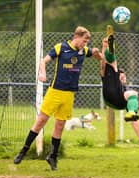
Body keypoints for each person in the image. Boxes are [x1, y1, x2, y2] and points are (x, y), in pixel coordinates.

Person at [14, 26, 102, 170]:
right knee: (41, 121)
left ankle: (52, 157)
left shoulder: (83, 50)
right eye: (84, 40)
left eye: (87, 42)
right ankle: (23, 151)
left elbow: (98, 57)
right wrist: (42, 74)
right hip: (54, 92)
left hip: (69, 94)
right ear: (77, 37)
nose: (85, 44)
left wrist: (99, 51)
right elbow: (43, 61)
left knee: (60, 125)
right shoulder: (61, 47)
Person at [100, 27, 139, 149]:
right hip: (109, 96)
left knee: (133, 105)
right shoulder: (110, 71)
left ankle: (131, 113)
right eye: (122, 76)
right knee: (110, 60)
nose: (123, 78)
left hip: (116, 101)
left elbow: (135, 121)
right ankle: (111, 47)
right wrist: (105, 46)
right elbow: (104, 61)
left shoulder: (125, 92)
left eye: (125, 77)